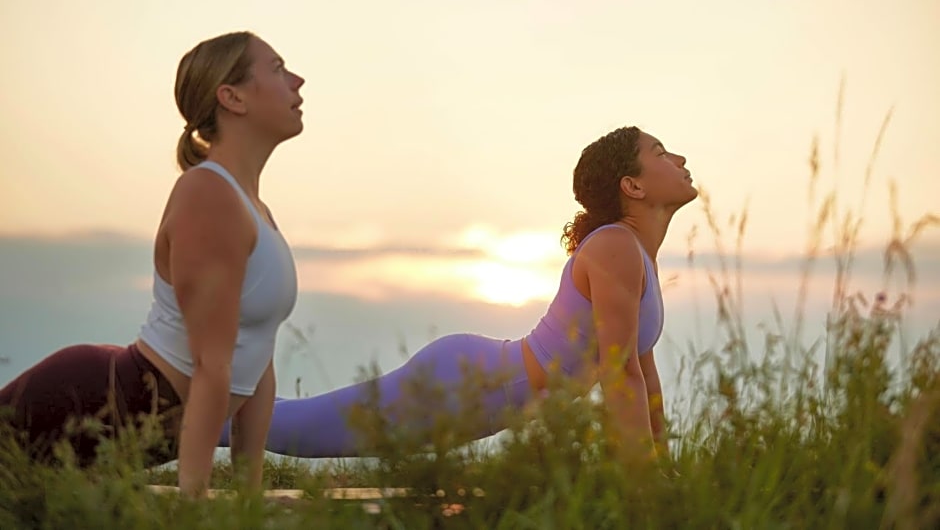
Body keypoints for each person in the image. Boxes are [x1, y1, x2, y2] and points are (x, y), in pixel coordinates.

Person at [219, 126, 697, 461]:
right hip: (463, 383)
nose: (679, 159)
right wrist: (644, 482)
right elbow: (620, 374)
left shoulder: (637, 254)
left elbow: (644, 378)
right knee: (287, 430)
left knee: (283, 425)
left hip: (484, 397)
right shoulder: (615, 246)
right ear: (632, 185)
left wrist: (663, 465)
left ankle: (185, 418)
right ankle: (168, 422)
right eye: (661, 152)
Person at [0, 31, 305, 497]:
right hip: (92, 403)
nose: (298, 81)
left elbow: (257, 360)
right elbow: (211, 366)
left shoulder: (255, 210)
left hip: (132, 412)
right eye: (279, 68)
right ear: (232, 97)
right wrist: (194, 504)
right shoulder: (209, 195)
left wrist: (249, 502)